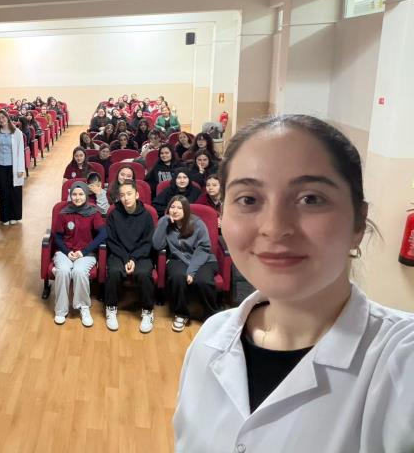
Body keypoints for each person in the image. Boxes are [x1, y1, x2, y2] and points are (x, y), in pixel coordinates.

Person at [174, 114, 414, 453]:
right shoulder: (210, 339)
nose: (274, 228)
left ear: (358, 221)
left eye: (310, 198)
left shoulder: (402, 363)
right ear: (223, 215)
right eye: (248, 199)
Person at [152, 195, 217, 332]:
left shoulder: (197, 223)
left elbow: (204, 248)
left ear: (186, 210)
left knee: (203, 281)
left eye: (179, 208)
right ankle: (181, 314)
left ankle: (211, 315)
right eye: (172, 207)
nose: (175, 211)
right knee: (177, 277)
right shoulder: (166, 223)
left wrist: (191, 270)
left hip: (202, 258)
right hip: (178, 259)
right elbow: (157, 245)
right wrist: (163, 222)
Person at [51, 182, 106, 327]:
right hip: (65, 251)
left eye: (81, 194)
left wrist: (83, 252)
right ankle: (60, 310)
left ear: (86, 195)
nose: (77, 197)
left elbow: (103, 234)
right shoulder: (64, 213)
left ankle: (84, 307)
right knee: (63, 271)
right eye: (74, 194)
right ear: (70, 196)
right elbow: (57, 237)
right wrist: (67, 252)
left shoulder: (93, 212)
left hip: (86, 252)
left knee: (79, 271)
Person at [104, 180, 156, 334]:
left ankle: (147, 311)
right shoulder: (114, 214)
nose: (125, 198)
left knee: (144, 273)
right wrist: (126, 258)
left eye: (129, 194)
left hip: (141, 254)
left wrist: (133, 258)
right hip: (119, 253)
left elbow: (147, 242)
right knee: (114, 272)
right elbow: (111, 240)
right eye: (122, 195)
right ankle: (111, 307)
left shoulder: (146, 215)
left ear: (137, 195)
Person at [0, 110, 26, 226]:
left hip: (14, 166)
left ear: (7, 117)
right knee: (4, 191)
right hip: (0, 165)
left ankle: (14, 216)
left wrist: (21, 169)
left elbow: (20, 152)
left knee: (14, 191)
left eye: (3, 117)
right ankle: (5, 217)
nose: (1, 120)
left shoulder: (17, 132)